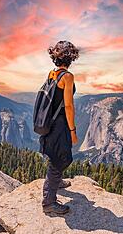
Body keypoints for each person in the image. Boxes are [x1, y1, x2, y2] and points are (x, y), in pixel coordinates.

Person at [40, 40, 79, 214]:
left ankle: (57, 181)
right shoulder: (67, 77)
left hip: (49, 122)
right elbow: (68, 106)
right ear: (70, 58)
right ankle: (49, 202)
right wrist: (73, 131)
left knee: (57, 155)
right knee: (60, 158)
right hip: (59, 124)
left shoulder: (52, 73)